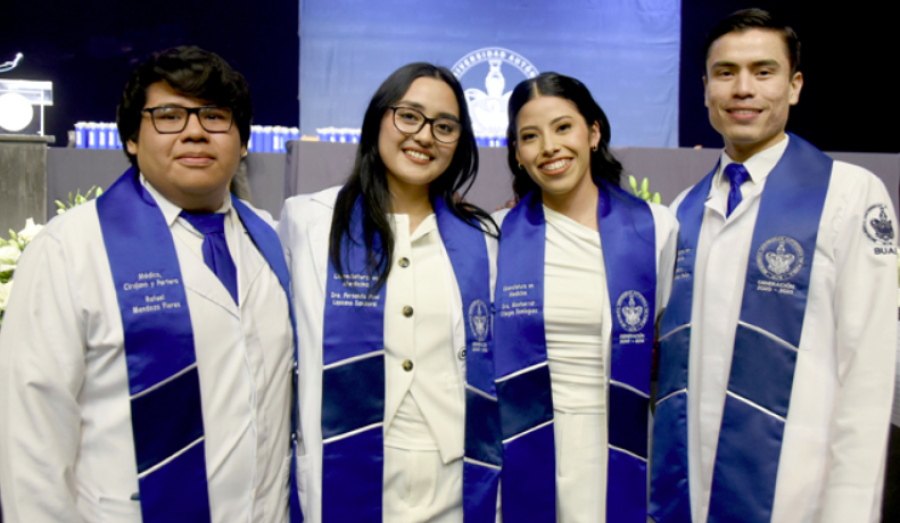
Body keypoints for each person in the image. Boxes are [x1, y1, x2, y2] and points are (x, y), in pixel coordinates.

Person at [0, 46, 297, 523]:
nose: (195, 131)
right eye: (169, 116)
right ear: (132, 139)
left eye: (215, 116)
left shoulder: (272, 240)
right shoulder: (70, 248)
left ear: (243, 142)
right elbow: (30, 444)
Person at [650, 9, 897, 523]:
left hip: (799, 499)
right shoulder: (684, 210)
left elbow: (868, 371)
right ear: (705, 90)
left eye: (763, 72)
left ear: (794, 86)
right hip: (689, 495)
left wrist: (850, 510)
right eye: (725, 73)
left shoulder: (849, 194)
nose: (743, 88)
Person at [278, 63, 500, 522]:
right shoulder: (309, 222)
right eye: (409, 116)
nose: (424, 136)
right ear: (378, 118)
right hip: (346, 468)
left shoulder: (482, 241)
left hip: (451, 478)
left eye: (444, 127)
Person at [492, 72, 678, 523]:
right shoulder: (496, 237)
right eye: (530, 136)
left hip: (623, 449)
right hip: (523, 448)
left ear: (593, 133)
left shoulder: (655, 228)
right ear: (517, 153)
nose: (549, 147)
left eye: (563, 127)